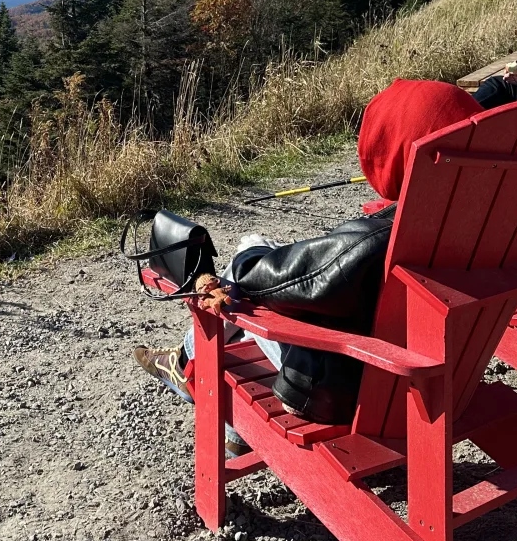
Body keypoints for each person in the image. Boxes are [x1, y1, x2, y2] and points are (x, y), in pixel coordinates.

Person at [132, 79, 480, 448]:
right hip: (444, 381)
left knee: (250, 254)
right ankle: (228, 422)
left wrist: (248, 256)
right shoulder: (486, 223)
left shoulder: (371, 242)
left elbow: (262, 281)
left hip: (341, 394)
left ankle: (186, 364)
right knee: (273, 272)